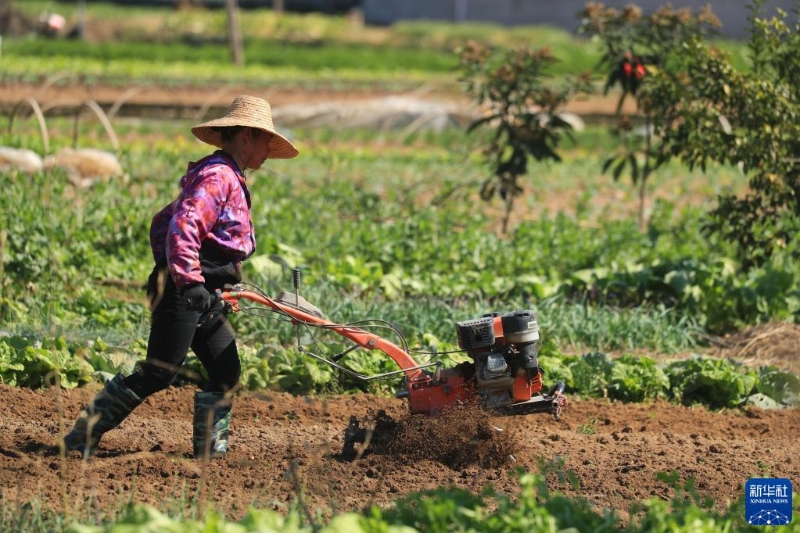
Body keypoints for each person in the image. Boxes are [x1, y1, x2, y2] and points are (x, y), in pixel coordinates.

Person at [62, 95, 298, 459]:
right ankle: (82, 437)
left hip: (202, 291)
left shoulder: (231, 175)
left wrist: (214, 285)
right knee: (159, 372)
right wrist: (189, 281)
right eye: (267, 140)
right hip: (182, 290)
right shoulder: (218, 175)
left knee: (226, 370)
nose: (269, 149)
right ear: (247, 136)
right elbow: (183, 225)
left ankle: (210, 456)